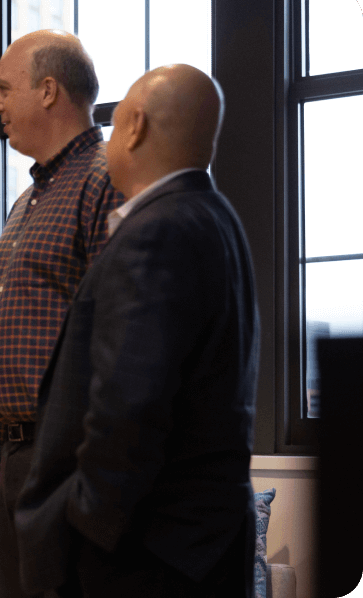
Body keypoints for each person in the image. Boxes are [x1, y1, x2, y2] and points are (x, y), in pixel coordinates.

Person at [14, 64, 259, 597]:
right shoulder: (212, 215)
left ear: (135, 126)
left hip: (145, 553)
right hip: (193, 543)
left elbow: (130, 403)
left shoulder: (159, 231)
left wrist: (85, 532)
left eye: (115, 119)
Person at [0, 30, 123, 598]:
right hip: (22, 461)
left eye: (3, 89)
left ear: (48, 91)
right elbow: (9, 340)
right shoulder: (27, 199)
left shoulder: (105, 183)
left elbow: (120, 339)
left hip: (74, 460)